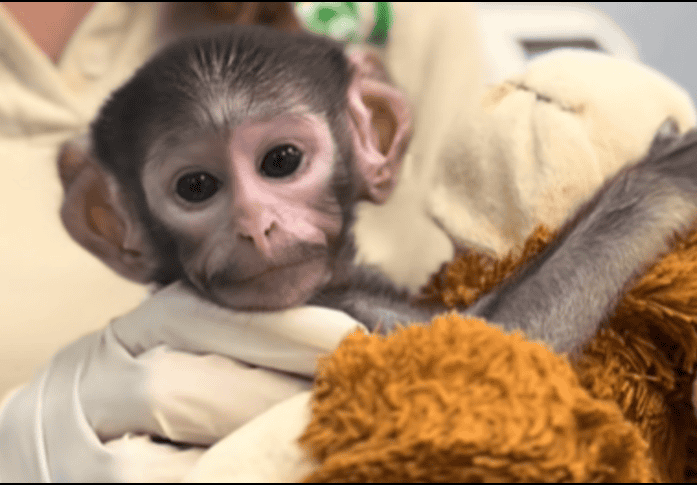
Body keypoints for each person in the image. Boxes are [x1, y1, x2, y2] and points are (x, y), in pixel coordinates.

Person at [0, 2, 488, 481]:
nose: (254, 220)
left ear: (373, 133)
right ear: (113, 226)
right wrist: (17, 453)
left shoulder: (405, 20)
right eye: (196, 187)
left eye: (282, 160)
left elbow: (528, 368)